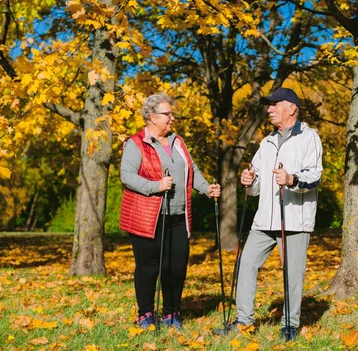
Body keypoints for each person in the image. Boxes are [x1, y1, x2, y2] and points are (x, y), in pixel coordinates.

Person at [119, 92, 221, 330]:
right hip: (148, 218)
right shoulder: (136, 143)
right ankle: (145, 314)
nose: (172, 118)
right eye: (168, 114)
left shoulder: (178, 141)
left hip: (178, 216)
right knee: (148, 267)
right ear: (152, 117)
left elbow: (191, 169)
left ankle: (171, 313)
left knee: (176, 266)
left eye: (172, 113)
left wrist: (207, 189)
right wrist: (156, 186)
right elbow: (126, 176)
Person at [233, 87, 323, 341]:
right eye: (269, 105)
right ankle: (244, 321)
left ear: (292, 108)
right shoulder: (267, 141)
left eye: (275, 104)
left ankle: (290, 324)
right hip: (264, 220)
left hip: (295, 219)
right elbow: (257, 184)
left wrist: (292, 178)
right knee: (246, 264)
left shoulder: (309, 138)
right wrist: (249, 180)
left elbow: (314, 176)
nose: (269, 109)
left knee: (292, 274)